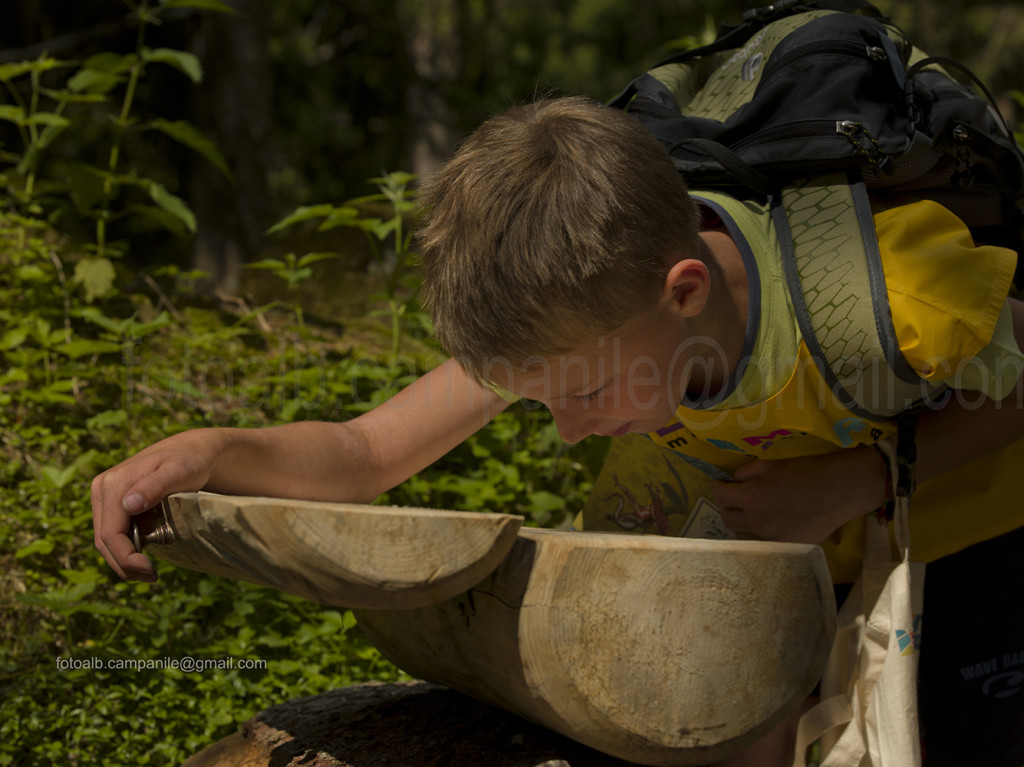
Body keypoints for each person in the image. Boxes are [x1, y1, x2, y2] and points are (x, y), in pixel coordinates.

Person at [92, 96, 1024, 765]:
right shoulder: (574, 321)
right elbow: (369, 450)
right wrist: (215, 452)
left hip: (962, 546)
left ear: (685, 293)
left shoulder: (885, 303)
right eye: (537, 399)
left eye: (583, 395)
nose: (572, 432)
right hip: (771, 568)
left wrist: (860, 478)